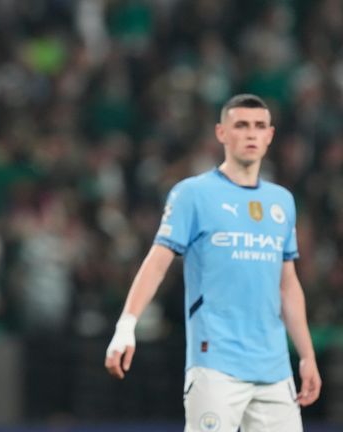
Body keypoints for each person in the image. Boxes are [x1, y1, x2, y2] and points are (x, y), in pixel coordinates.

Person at [105, 94, 321, 431]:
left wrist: (306, 355)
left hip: (275, 370)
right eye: (241, 125)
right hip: (215, 366)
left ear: (270, 135)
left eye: (259, 126)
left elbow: (288, 284)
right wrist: (126, 325)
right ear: (221, 133)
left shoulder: (282, 202)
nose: (251, 134)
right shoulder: (192, 194)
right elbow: (157, 263)